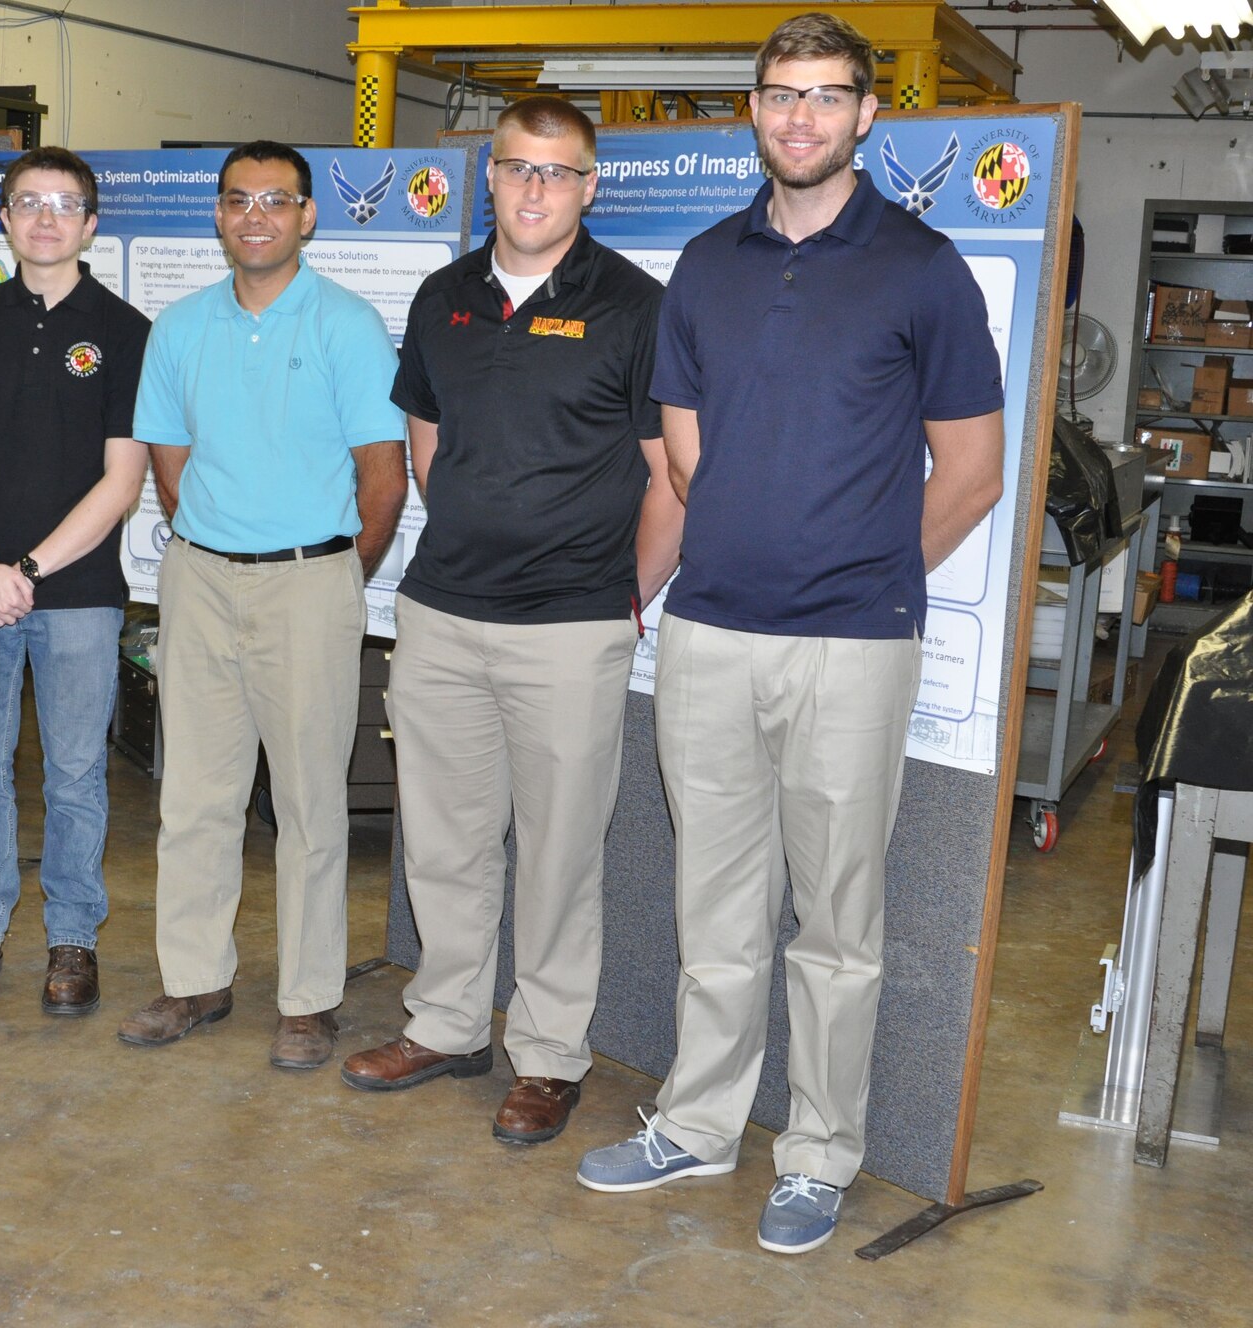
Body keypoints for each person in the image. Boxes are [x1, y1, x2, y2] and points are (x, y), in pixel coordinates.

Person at [574, 13, 1006, 1255]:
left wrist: (858, 572)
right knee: (711, 902)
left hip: (851, 648)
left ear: (866, 116)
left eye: (825, 97)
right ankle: (698, 1122)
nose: (800, 118)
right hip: (710, 634)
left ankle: (816, 1151)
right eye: (779, 96)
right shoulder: (704, 265)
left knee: (835, 921)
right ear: (750, 112)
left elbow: (970, 471)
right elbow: (683, 446)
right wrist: (744, 551)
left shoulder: (922, 268)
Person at [339, 97, 680, 1147]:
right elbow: (428, 439)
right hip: (441, 613)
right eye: (515, 169)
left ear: (589, 185)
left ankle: (545, 1055)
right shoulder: (443, 296)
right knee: (440, 842)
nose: (532, 189)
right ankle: (445, 1023)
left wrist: (624, 597)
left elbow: (667, 475)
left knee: (557, 854)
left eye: (555, 172)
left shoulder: (633, 305)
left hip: (571, 627)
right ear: (487, 177)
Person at [116, 141, 407, 1070]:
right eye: (237, 199)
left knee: (312, 801)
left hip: (310, 581)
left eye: (275, 200)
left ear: (308, 216)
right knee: (195, 795)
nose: (255, 216)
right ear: (218, 214)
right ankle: (195, 978)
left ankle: (310, 998)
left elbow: (384, 479)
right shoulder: (181, 327)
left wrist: (326, 568)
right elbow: (167, 459)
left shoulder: (348, 325)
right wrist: (212, 535)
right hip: (198, 577)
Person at [0, 146, 150, 1016]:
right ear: (6, 220)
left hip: (79, 594)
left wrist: (27, 571)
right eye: (28, 202)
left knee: (76, 773)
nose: (46, 217)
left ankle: (73, 937)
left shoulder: (127, 331)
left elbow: (122, 481)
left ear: (90, 224)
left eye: (65, 204)